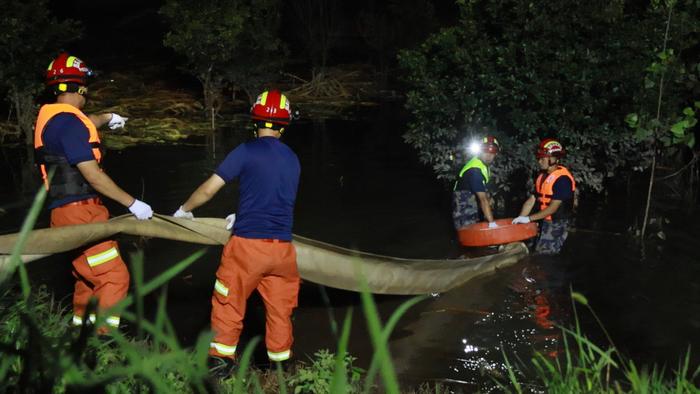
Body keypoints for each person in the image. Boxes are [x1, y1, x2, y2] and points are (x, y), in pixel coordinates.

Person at [173, 89, 301, 377]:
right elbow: (274, 197)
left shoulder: (246, 151)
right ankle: (281, 369)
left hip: (247, 248)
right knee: (280, 312)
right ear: (284, 124)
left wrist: (184, 210)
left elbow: (209, 189)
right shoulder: (293, 159)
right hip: (283, 250)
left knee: (228, 302)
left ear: (255, 121)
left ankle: (220, 364)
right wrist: (244, 212)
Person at [34, 52, 153, 333]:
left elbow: (84, 123)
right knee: (114, 277)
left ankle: (79, 333)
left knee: (87, 279)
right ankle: (103, 341)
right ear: (81, 87)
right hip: (82, 211)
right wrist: (133, 203)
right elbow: (93, 176)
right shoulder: (70, 125)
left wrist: (108, 117)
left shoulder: (56, 119)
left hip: (63, 212)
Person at [512, 138, 576, 255]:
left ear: (553, 159)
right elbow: (531, 200)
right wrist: (521, 219)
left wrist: (529, 219)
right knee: (534, 249)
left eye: (542, 158)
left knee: (545, 255)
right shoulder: (542, 177)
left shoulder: (563, 180)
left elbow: (553, 208)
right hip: (543, 220)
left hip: (557, 224)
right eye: (539, 158)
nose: (539, 161)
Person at [452, 135, 500, 230]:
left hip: (473, 205)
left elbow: (484, 192)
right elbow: (483, 199)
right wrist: (492, 223)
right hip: (463, 209)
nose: (488, 155)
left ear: (496, 154)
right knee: (468, 238)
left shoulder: (484, 165)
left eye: (492, 152)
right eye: (485, 151)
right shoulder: (475, 170)